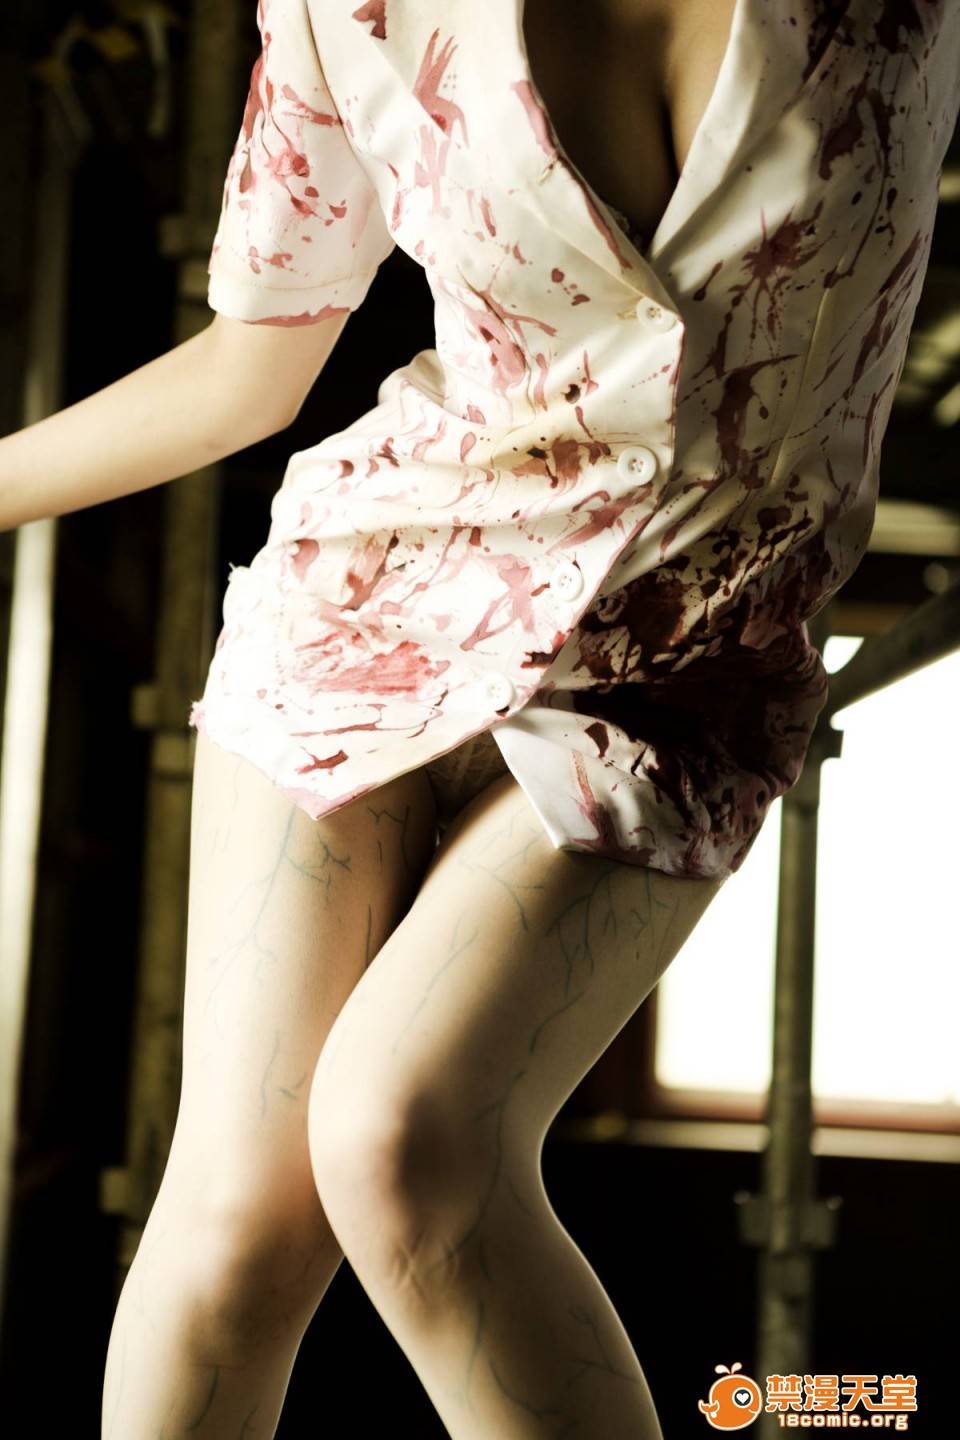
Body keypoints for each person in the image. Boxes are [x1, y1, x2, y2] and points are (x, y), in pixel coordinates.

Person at [3, 1, 957, 1437]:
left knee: (406, 1139)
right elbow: (248, 371)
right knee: (237, 1226)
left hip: (683, 664)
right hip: (368, 599)